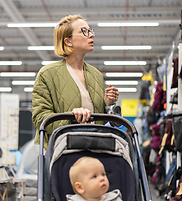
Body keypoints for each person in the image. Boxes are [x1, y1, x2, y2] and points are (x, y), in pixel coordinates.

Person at [32, 14, 119, 149]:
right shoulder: (48, 74)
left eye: (90, 31)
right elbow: (40, 118)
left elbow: (98, 122)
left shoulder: (96, 75)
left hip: (94, 149)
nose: (91, 35)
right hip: (62, 153)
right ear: (68, 41)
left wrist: (107, 103)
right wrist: (70, 118)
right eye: (84, 31)